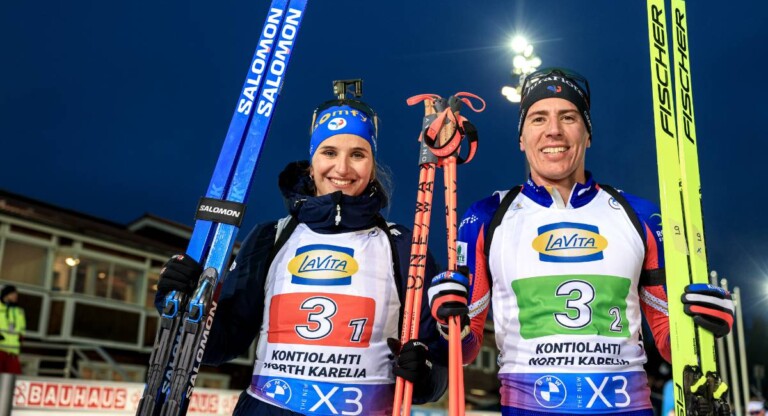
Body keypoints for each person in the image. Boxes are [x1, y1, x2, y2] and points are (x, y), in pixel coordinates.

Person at [427, 68, 735, 415]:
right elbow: (465, 350)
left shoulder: (640, 216)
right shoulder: (486, 217)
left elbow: (668, 338)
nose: (553, 130)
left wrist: (702, 323)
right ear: (521, 138)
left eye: (568, 117)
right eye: (538, 118)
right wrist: (448, 321)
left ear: (587, 134)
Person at [157, 87, 447, 415]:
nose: (342, 168)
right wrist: (181, 302)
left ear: (372, 164)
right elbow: (220, 345)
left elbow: (438, 365)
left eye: (357, 154)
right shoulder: (271, 237)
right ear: (312, 162)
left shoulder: (404, 246)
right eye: (329, 152)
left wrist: (423, 373)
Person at [0, 284, 26, 374]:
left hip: (13, 352)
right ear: (6, 295)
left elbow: (22, 330)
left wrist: (21, 338)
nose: (16, 296)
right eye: (13, 294)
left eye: (16, 294)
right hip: (0, 350)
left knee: (14, 377)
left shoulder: (19, 311)